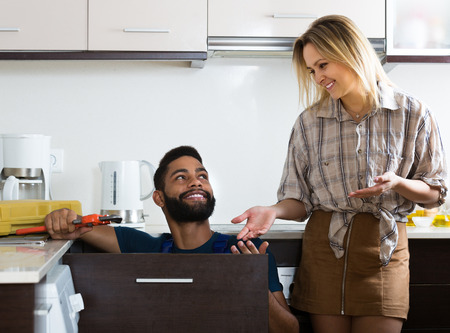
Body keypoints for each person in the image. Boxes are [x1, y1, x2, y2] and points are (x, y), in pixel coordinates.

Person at [231, 15, 447, 333]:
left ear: (349, 52)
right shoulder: (309, 122)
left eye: (323, 65)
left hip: (383, 252)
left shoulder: (413, 113)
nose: (318, 77)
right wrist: (273, 210)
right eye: (312, 70)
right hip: (324, 251)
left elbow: (435, 194)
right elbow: (300, 201)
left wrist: (399, 184)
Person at [45, 145, 299, 333]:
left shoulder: (246, 252)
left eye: (202, 176)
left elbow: (289, 330)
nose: (196, 182)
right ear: (159, 198)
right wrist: (63, 218)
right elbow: (78, 227)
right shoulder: (148, 247)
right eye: (181, 177)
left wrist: (255, 284)